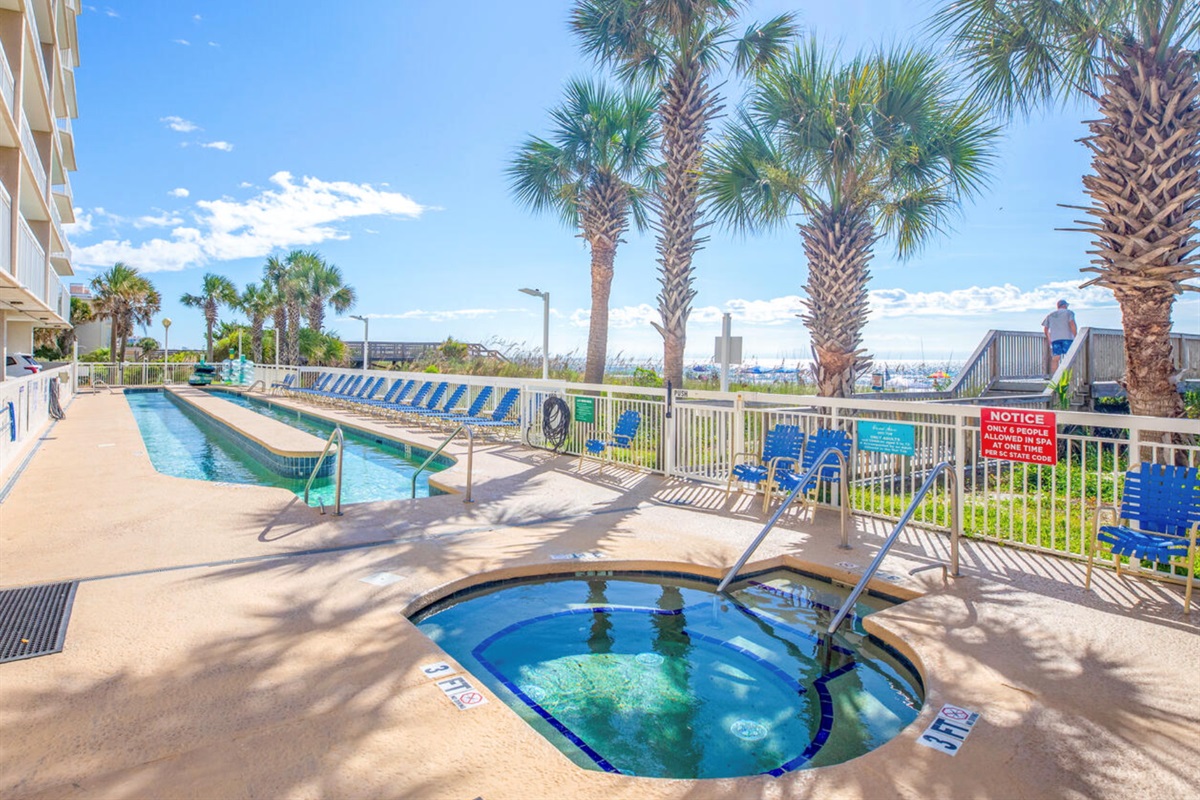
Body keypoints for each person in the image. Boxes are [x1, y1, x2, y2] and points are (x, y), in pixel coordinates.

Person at [1042, 299, 1077, 372]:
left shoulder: (1051, 314)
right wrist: (1076, 336)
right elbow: (1072, 324)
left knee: (1056, 358)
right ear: (1064, 305)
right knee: (1069, 357)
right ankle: (1068, 378)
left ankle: (1055, 378)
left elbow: (1045, 329)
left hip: (1055, 339)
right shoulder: (1069, 313)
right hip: (1068, 338)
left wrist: (1049, 339)